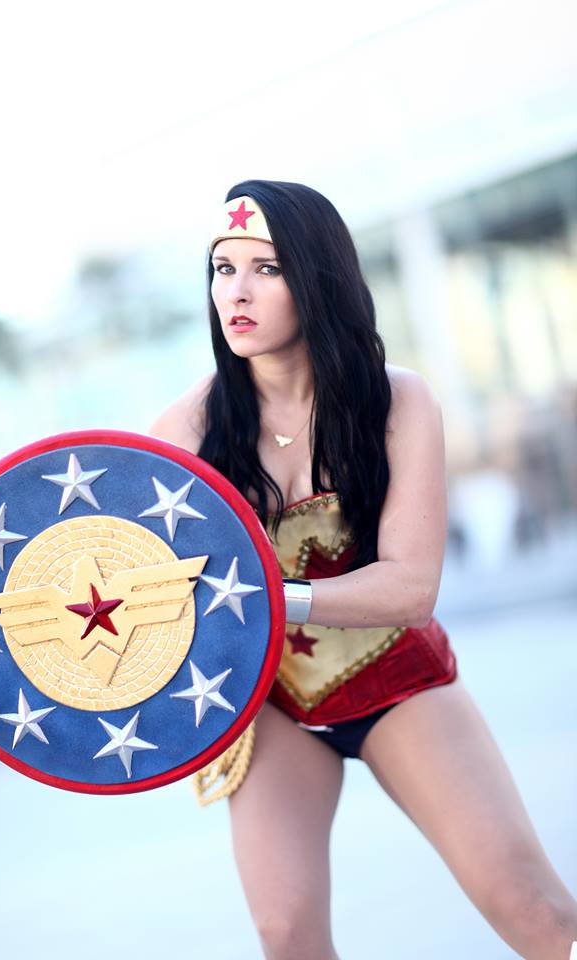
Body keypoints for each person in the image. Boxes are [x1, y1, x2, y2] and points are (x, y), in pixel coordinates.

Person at [150, 180, 577, 960]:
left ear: (317, 277)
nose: (236, 292)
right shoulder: (187, 427)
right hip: (272, 704)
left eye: (266, 269)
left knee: (535, 910)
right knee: (285, 933)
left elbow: (411, 589)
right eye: (222, 268)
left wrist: (265, 598)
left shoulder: (396, 400)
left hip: (395, 676)